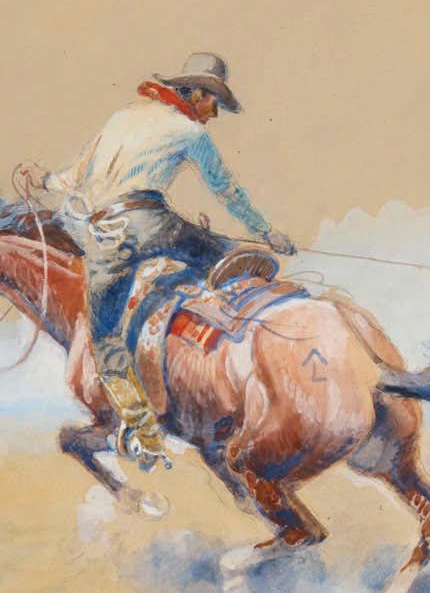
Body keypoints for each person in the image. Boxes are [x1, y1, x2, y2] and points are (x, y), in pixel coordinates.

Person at [30, 52, 296, 469]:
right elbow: (225, 188)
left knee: (106, 339)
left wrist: (44, 180)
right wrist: (266, 232)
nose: (214, 112)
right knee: (226, 252)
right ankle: (242, 317)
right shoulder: (189, 130)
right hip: (154, 224)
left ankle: (143, 429)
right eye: (214, 101)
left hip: (105, 239)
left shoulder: (122, 117)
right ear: (197, 93)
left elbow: (73, 176)